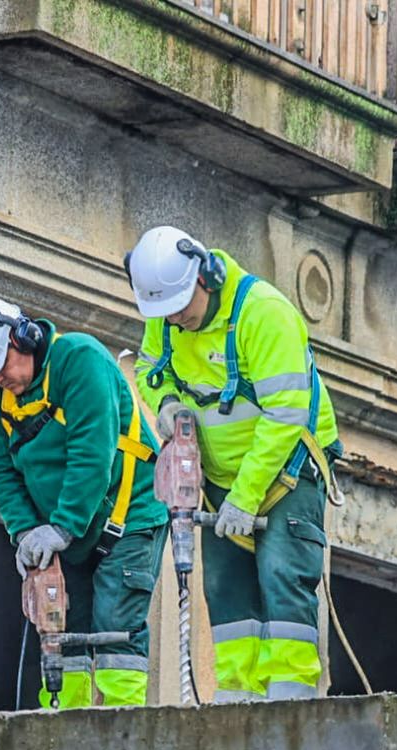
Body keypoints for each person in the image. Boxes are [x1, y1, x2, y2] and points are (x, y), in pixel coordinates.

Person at [124, 225, 342, 702]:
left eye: (182, 307)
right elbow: (148, 368)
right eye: (166, 312)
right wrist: (166, 405)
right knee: (224, 587)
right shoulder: (166, 315)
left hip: (286, 472)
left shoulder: (264, 314)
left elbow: (285, 416)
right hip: (219, 480)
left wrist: (245, 497)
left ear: (207, 277)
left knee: (283, 576)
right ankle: (238, 697)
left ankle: (290, 700)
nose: (176, 320)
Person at [0, 296, 168, 708]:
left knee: (115, 629)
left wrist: (62, 527)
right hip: (64, 527)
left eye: (1, 365)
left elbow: (92, 455)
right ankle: (63, 726)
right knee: (63, 635)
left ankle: (124, 730)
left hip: (128, 516)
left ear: (24, 338)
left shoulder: (80, 360)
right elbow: (2, 470)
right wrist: (24, 532)